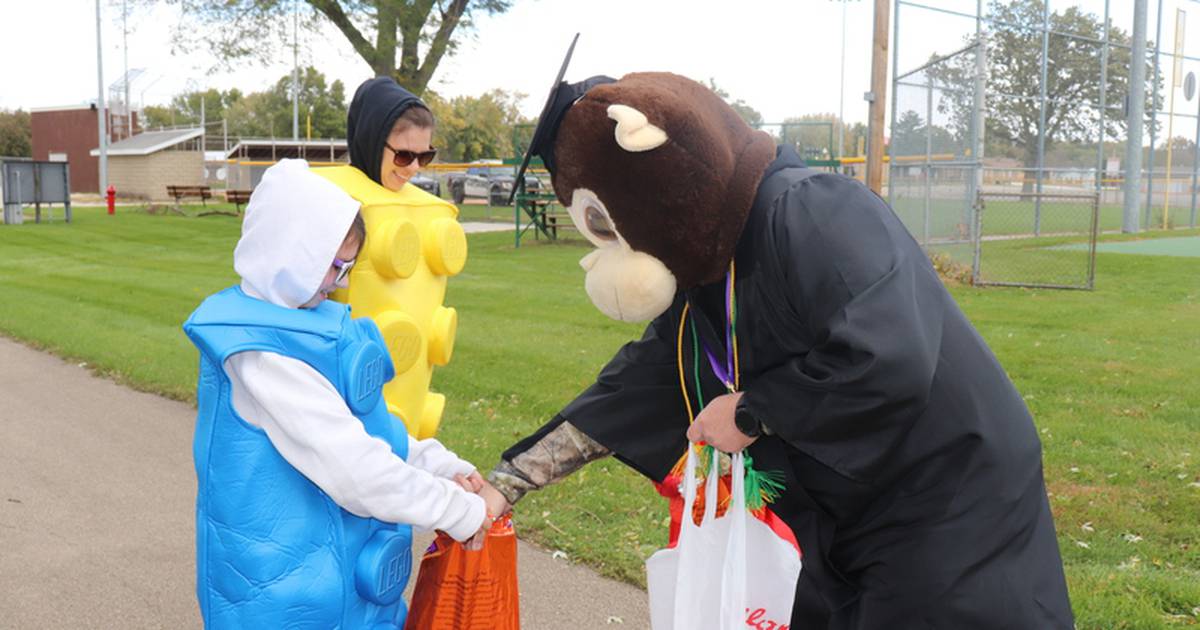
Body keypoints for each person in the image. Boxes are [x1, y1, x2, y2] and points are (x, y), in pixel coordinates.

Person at [486, 69, 1074, 628]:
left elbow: (886, 355)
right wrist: (507, 482)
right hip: (837, 519)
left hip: (946, 502)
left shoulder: (811, 208)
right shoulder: (704, 276)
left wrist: (751, 412)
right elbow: (637, 384)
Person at [183, 159, 505, 629]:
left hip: (330, 586)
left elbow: (372, 430)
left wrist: (442, 466)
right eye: (333, 266)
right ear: (291, 252)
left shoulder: (301, 324)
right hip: (282, 597)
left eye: (349, 266)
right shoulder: (262, 356)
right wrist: (457, 510)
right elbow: (355, 469)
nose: (344, 281)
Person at [347, 76, 438, 192]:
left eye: (425, 157)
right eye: (404, 155)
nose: (414, 168)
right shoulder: (328, 204)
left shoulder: (423, 208)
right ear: (371, 145)